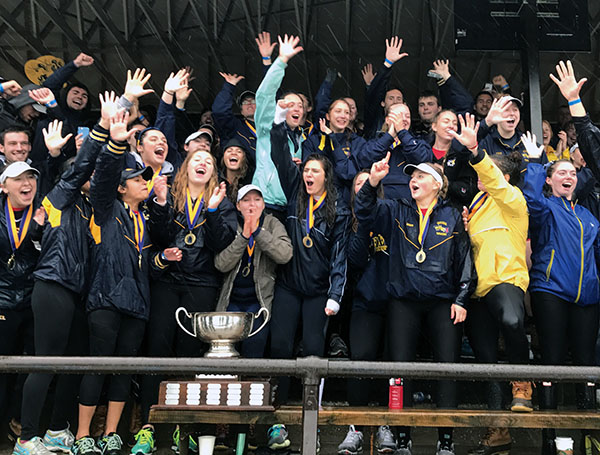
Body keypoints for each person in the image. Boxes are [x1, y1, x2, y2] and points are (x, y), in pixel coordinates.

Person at [354, 154, 475, 455]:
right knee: (399, 369)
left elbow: (464, 259)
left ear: (437, 184)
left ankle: (445, 439)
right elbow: (365, 211)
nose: (413, 180)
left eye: (420, 176)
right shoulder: (396, 209)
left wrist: (461, 299)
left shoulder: (453, 213)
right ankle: (402, 435)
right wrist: (372, 183)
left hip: (442, 301)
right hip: (403, 300)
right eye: (412, 176)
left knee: (448, 368)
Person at [72, 110, 170, 455]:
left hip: (137, 304)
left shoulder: (143, 218)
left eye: (145, 178)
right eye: (137, 179)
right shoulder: (106, 208)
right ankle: (83, 434)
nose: (145, 182)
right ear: (120, 186)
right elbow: (101, 181)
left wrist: (161, 259)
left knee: (123, 372)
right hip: (105, 299)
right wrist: (115, 142)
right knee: (99, 366)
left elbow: (148, 267)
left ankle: (111, 433)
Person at [132, 149, 236, 455]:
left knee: (190, 355)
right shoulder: (169, 195)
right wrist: (161, 202)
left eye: (208, 161)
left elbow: (222, 245)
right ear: (185, 167)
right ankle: (149, 426)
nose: (203, 163)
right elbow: (159, 237)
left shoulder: (221, 201)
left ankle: (183, 425)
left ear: (213, 172)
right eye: (197, 159)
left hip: (201, 284)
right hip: (167, 281)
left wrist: (214, 212)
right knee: (158, 351)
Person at [266, 93, 350, 449]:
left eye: (316, 171)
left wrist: (335, 295)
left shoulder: (337, 210)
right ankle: (278, 420)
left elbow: (340, 257)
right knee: (282, 346)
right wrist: (278, 123)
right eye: (306, 170)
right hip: (288, 287)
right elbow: (280, 154)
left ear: (326, 178)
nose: (309, 174)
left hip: (318, 292)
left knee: (314, 351)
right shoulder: (293, 194)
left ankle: (310, 418)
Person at [449, 114, 531, 455]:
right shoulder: (473, 208)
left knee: (513, 322)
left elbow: (494, 182)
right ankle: (498, 429)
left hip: (505, 279)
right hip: (477, 289)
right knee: (484, 358)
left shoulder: (513, 202)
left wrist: (474, 149)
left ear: (504, 176)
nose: (480, 179)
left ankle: (523, 384)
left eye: (488, 174)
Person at [522, 119, 599, 455]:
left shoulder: (589, 216)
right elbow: (530, 201)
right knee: (551, 359)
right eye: (560, 173)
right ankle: (549, 438)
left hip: (588, 297)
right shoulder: (545, 208)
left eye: (572, 173)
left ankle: (587, 438)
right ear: (551, 181)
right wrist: (537, 163)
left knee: (585, 364)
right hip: (551, 290)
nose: (568, 176)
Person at [337, 171, 390, 455]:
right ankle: (354, 427)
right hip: (360, 301)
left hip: (391, 300)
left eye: (369, 184)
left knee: (388, 364)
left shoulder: (389, 214)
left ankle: (385, 425)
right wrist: (363, 224)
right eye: (358, 184)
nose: (363, 188)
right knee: (359, 363)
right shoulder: (349, 220)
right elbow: (355, 259)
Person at [214, 184, 292, 359]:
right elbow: (221, 264)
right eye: (246, 200)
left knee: (254, 347)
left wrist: (257, 232)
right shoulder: (231, 223)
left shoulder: (272, 223)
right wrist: (243, 237)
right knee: (225, 352)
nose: (252, 205)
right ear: (238, 205)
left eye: (257, 200)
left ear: (264, 204)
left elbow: (285, 254)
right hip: (230, 301)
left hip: (259, 301)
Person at [0, 161, 45, 454]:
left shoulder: (41, 214)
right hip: (2, 302)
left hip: (32, 302)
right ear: (4, 186)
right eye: (18, 178)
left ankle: (15, 425)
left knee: (27, 368)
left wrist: (39, 232)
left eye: (31, 177)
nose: (26, 183)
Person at [251, 34, 306, 221]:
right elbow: (264, 95)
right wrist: (281, 61)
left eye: (300, 105)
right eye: (291, 104)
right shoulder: (267, 128)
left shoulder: (304, 139)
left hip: (292, 208)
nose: (296, 108)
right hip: (265, 204)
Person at [362, 37, 408, 139]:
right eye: (391, 98)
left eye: (399, 99)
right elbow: (374, 96)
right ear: (382, 103)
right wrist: (387, 64)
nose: (395, 101)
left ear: (404, 104)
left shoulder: (408, 124)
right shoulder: (374, 120)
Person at [219, 138, 254, 203]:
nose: (234, 153)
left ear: (244, 158)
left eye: (239, 151)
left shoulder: (251, 181)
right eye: (229, 151)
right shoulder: (216, 181)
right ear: (223, 157)